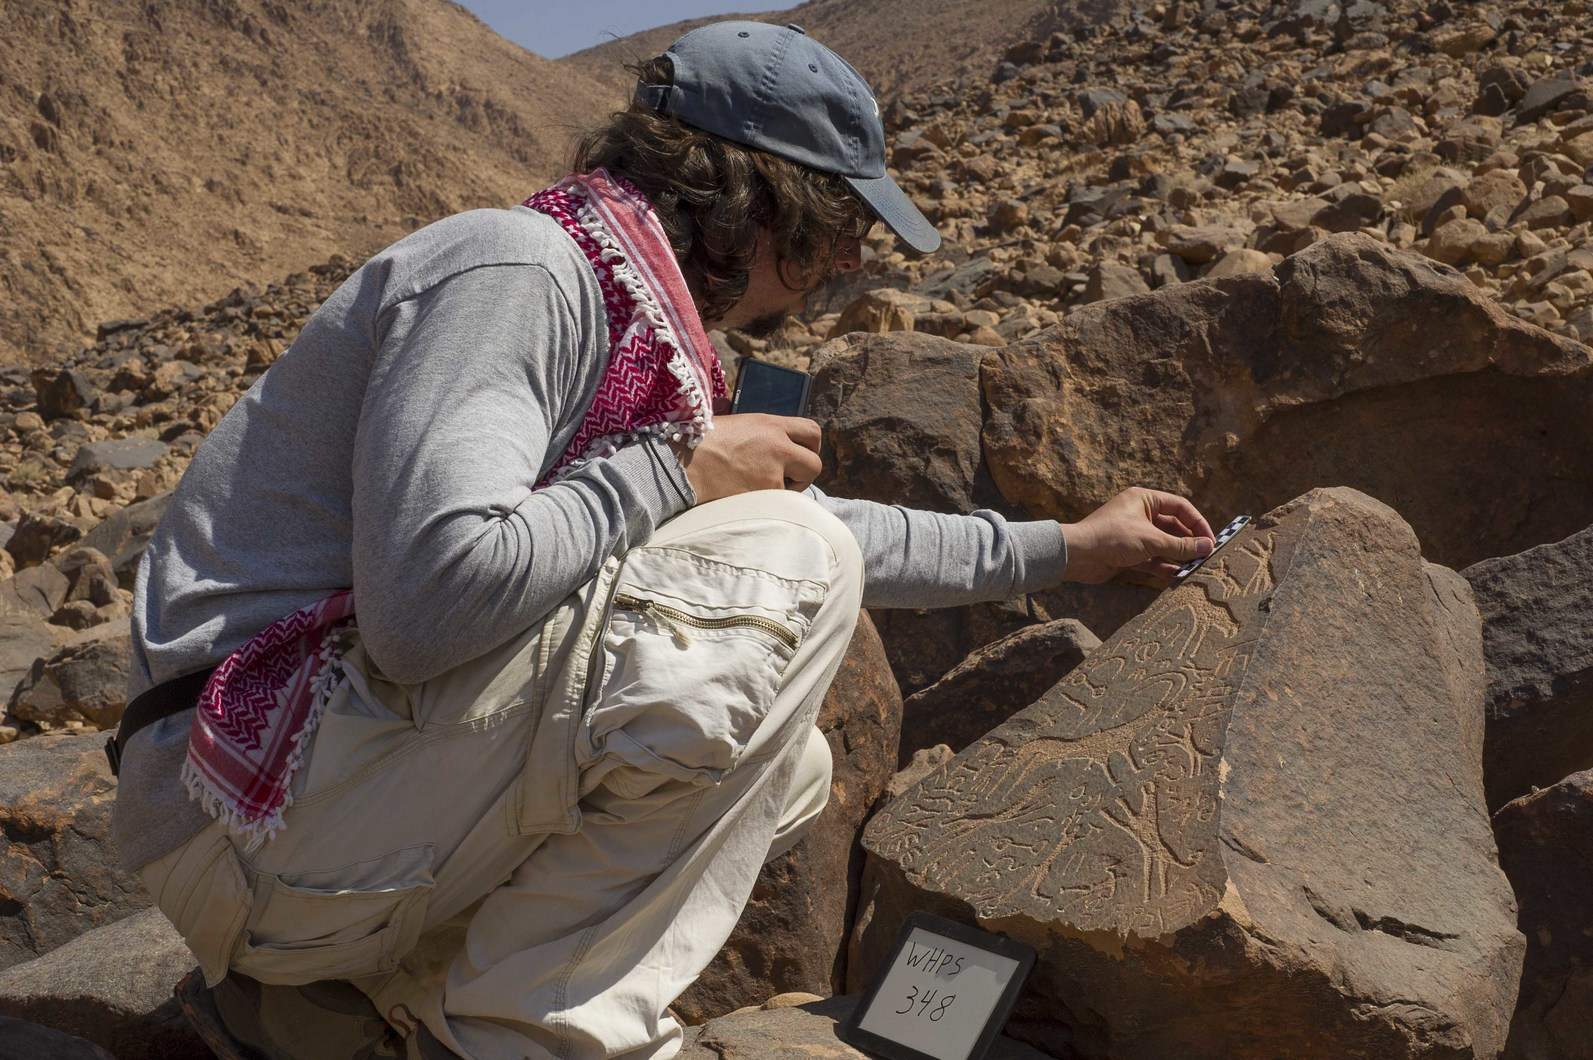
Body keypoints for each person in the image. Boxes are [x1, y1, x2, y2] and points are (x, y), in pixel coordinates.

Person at [107, 20, 1215, 1060]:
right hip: (254, 815)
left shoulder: (637, 331)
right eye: (836, 229)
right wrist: (674, 471)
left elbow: (821, 529)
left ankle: (397, 995)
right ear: (746, 197)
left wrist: (1065, 545)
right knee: (779, 578)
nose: (842, 267)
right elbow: (425, 605)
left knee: (789, 765)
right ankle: (526, 1027)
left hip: (325, 825)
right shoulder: (520, 272)